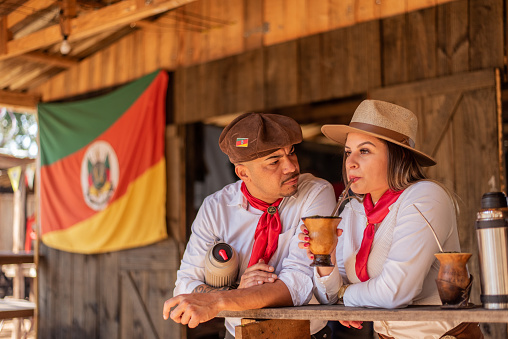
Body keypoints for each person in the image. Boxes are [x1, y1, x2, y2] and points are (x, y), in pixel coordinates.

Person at [298, 100, 483, 339]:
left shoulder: (424, 197)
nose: (350, 162)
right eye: (348, 152)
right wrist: (326, 256)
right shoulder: (352, 210)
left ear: (399, 157)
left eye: (364, 151)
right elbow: (329, 298)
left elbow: (396, 292)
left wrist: (346, 295)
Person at [163, 112, 337, 338]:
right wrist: (236, 291)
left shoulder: (316, 193)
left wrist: (218, 301)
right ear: (243, 172)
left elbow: (297, 285)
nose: (291, 167)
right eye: (274, 161)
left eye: (291, 152)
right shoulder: (216, 208)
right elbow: (185, 284)